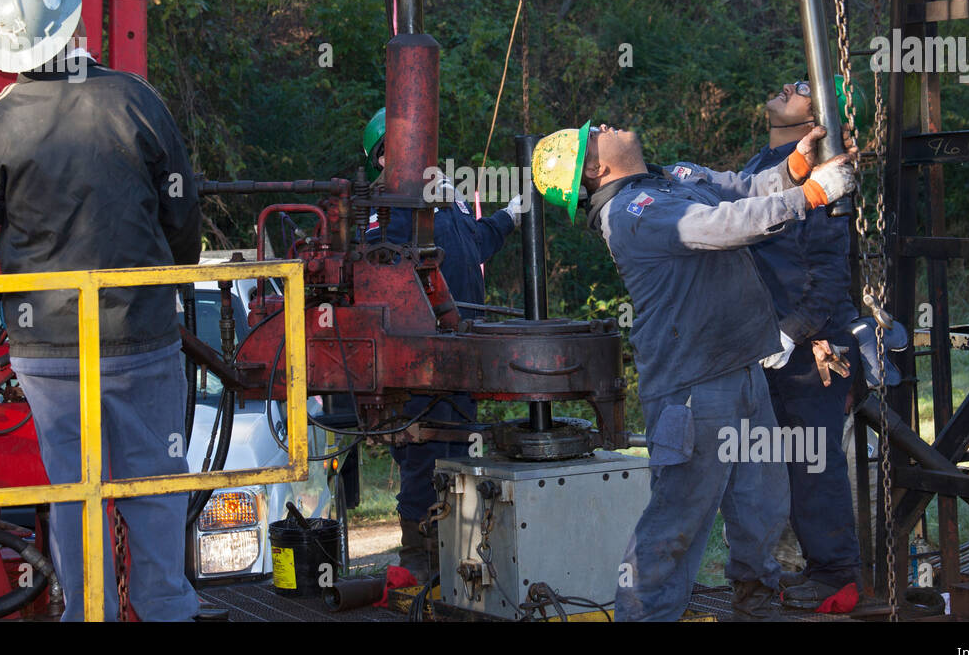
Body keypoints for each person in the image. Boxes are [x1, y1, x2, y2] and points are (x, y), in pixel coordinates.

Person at [0, 0, 202, 621]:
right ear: (76, 28)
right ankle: (167, 609)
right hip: (141, 334)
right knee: (156, 487)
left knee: (75, 494)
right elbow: (183, 213)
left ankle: (90, 613)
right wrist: (170, 275)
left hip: (51, 351)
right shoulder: (136, 101)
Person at [532, 119, 856, 621]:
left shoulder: (670, 179)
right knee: (678, 520)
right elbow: (723, 226)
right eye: (591, 135)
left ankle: (756, 604)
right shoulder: (632, 212)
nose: (603, 126)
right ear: (595, 169)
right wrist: (810, 196)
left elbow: (741, 191)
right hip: (693, 389)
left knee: (763, 507)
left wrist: (795, 169)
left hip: (742, 368)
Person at [361, 108, 521, 576]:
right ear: (383, 156)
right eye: (406, 144)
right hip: (417, 357)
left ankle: (455, 559)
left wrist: (511, 216)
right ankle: (417, 560)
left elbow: (475, 244)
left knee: (456, 452)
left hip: (460, 352)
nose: (420, 152)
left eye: (423, 142)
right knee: (423, 454)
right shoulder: (383, 209)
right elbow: (377, 270)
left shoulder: (445, 202)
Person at [744, 78, 868, 611]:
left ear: (819, 118)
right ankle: (796, 567)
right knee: (772, 466)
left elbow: (828, 275)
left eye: (801, 86)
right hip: (761, 344)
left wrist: (791, 333)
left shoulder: (824, 176)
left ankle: (837, 577)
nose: (785, 85)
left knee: (813, 463)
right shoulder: (759, 166)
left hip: (812, 349)